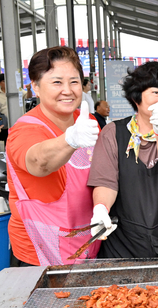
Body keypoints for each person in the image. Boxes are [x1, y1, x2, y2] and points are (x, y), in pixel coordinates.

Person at [88, 61, 158, 259]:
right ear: (136, 97)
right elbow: (106, 182)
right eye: (156, 92)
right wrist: (100, 210)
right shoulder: (113, 132)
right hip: (123, 245)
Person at [5, 46, 100, 266]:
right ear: (36, 87)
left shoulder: (88, 121)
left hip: (86, 243)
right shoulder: (26, 129)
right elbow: (39, 162)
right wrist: (70, 139)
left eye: (74, 82)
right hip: (38, 252)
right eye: (57, 82)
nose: (67, 90)